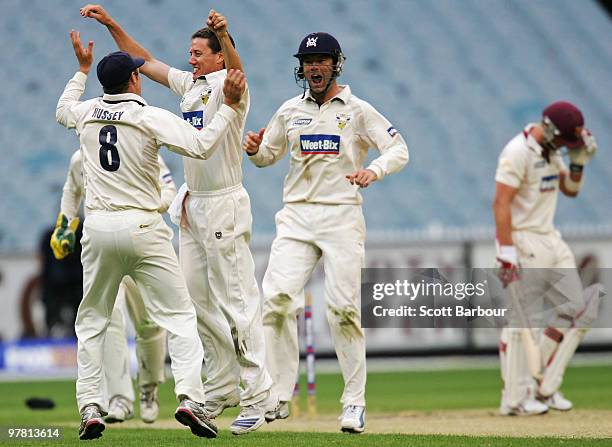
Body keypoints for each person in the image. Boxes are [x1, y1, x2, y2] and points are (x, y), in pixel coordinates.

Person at [80, 5, 274, 434]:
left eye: (199, 53)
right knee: (197, 305)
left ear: (219, 56)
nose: (191, 59)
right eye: (190, 52)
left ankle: (259, 397)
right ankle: (220, 388)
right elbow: (143, 60)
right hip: (192, 205)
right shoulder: (191, 85)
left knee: (237, 302)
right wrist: (112, 25)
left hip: (224, 201)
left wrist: (227, 35)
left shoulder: (231, 85)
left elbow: (238, 73)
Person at [243, 32, 409, 433]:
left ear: (336, 64)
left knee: (342, 310)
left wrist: (374, 170)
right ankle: (279, 395)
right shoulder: (288, 111)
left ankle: (354, 403)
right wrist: (254, 150)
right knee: (277, 301)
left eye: (321, 61)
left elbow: (399, 149)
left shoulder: (357, 109)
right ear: (300, 67)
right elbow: (269, 156)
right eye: (307, 61)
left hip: (341, 217)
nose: (313, 67)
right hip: (297, 217)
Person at [51, 149, 176, 424]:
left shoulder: (141, 143)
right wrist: (65, 226)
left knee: (150, 324)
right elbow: (71, 191)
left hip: (143, 240)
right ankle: (120, 397)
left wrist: (152, 206)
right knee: (111, 317)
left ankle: (149, 388)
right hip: (103, 247)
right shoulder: (79, 159)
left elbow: (169, 187)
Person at [494, 101, 599, 416]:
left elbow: (570, 190)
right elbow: (501, 203)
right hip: (524, 239)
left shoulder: (553, 150)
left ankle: (545, 387)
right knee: (523, 322)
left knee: (579, 309)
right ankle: (514, 398)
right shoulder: (516, 152)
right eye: (568, 144)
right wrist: (506, 251)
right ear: (551, 130)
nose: (568, 149)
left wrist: (578, 163)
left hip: (550, 237)